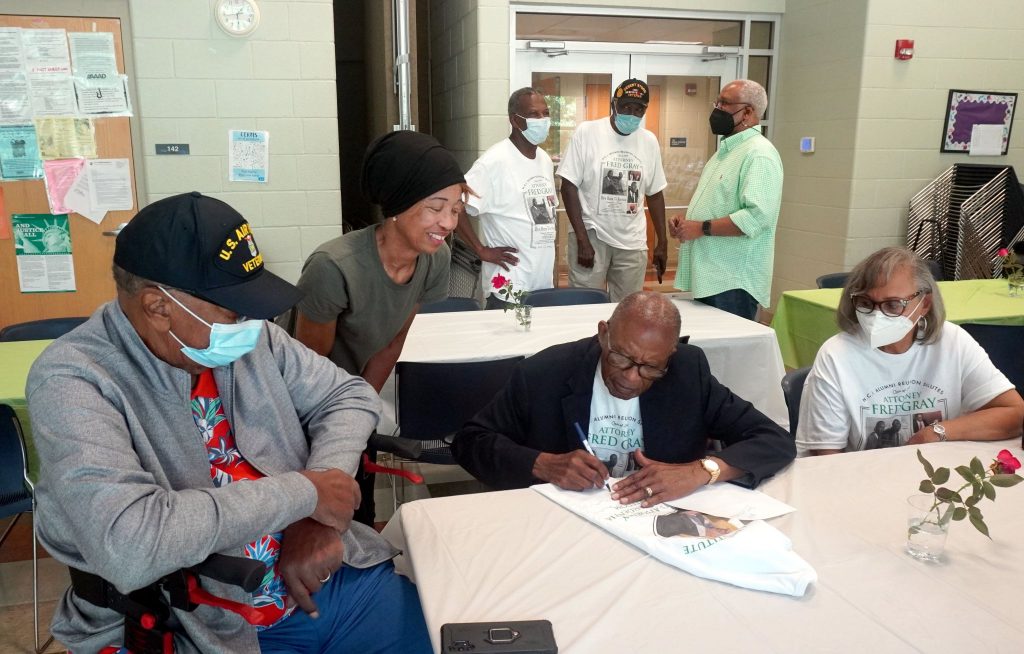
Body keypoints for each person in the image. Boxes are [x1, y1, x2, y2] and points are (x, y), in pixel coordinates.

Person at [26, 192, 431, 653]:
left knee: (439, 633)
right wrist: (305, 494)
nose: (251, 322)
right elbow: (130, 542)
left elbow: (348, 395)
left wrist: (321, 516)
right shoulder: (74, 379)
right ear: (158, 307)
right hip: (189, 618)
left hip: (323, 578)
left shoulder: (252, 340)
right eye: (232, 310)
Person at [451, 292, 794, 505]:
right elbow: (470, 442)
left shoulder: (688, 373)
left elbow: (773, 440)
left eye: (651, 368)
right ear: (603, 334)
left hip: (656, 529)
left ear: (670, 356)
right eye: (621, 359)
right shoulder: (545, 373)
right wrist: (543, 463)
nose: (631, 378)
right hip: (564, 529)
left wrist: (700, 471)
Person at [285, 130, 465, 524]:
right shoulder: (333, 267)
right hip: (300, 402)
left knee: (359, 509)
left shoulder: (433, 259)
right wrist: (338, 431)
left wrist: (360, 413)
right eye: (436, 207)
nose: (449, 222)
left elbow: (391, 343)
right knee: (318, 515)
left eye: (456, 208)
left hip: (350, 397)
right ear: (398, 205)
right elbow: (308, 368)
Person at [796, 247, 1024, 455]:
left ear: (924, 304)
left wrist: (934, 432)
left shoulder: (952, 341)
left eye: (893, 305)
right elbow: (824, 461)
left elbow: (1015, 414)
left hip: (934, 474)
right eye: (865, 303)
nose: (877, 316)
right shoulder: (836, 355)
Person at [670, 79, 783, 321]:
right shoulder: (726, 153)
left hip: (733, 282)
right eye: (717, 102)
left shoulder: (759, 153)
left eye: (724, 103)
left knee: (730, 355)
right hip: (712, 277)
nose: (717, 108)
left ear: (748, 112)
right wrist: (687, 223)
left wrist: (700, 228)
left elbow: (756, 217)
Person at [557, 79, 668, 302]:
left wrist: (662, 243)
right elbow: (568, 186)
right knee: (583, 303)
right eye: (626, 106)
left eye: (638, 109)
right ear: (613, 104)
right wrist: (582, 240)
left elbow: (654, 194)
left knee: (628, 310)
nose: (632, 113)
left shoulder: (649, 141)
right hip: (592, 235)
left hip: (632, 241)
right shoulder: (587, 132)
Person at [455, 88, 557, 309]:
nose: (542, 120)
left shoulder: (544, 159)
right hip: (508, 286)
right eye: (533, 114)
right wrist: (480, 250)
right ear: (515, 120)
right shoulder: (494, 162)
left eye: (545, 113)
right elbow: (454, 205)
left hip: (542, 283)